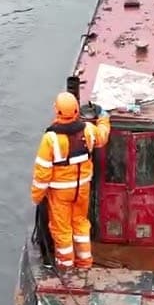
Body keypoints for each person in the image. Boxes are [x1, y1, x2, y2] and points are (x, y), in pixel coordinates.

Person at [31, 93, 111, 270]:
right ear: (76, 111)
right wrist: (104, 118)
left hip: (60, 193)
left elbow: (42, 172)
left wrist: (37, 197)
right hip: (82, 189)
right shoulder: (89, 130)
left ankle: (66, 267)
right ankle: (84, 264)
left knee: (62, 230)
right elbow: (102, 137)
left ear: (57, 111)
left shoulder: (50, 139)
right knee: (81, 225)